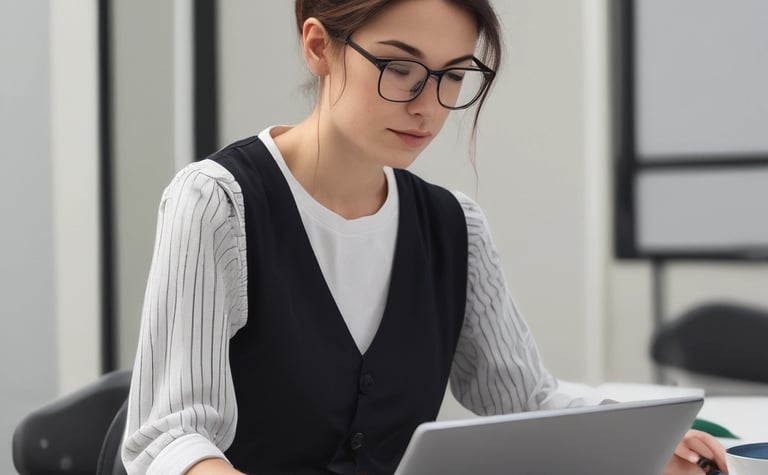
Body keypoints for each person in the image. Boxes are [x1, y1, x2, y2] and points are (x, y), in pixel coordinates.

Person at [121, 1, 727, 474]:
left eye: (454, 76)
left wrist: (642, 441)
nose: (428, 107)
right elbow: (170, 434)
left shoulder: (453, 226)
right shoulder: (218, 202)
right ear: (318, 47)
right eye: (399, 68)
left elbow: (521, 397)